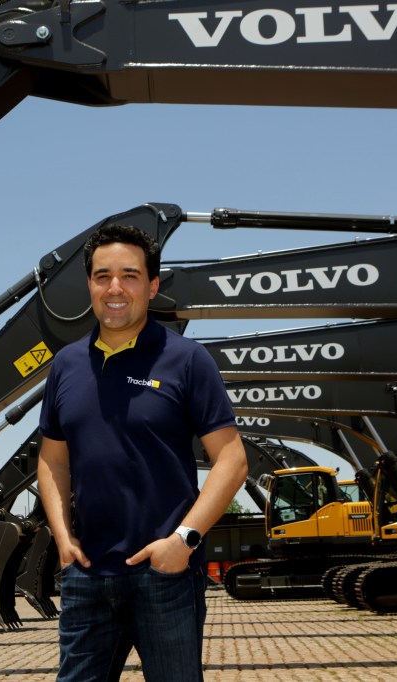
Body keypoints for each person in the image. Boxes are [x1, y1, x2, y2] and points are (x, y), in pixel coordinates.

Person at [37, 223, 249, 682]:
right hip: (88, 577)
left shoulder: (188, 360)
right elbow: (52, 459)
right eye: (102, 275)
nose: (115, 288)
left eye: (130, 275)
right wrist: (61, 537)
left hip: (166, 575)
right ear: (90, 284)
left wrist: (184, 540)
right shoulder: (66, 366)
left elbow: (232, 459)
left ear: (152, 285)